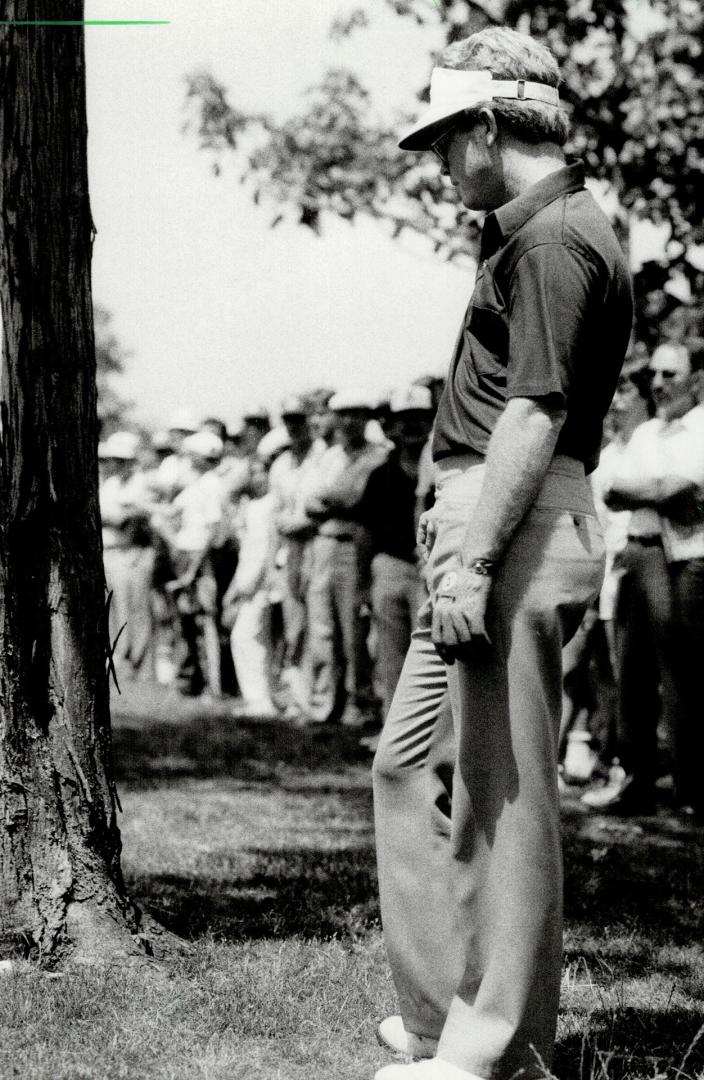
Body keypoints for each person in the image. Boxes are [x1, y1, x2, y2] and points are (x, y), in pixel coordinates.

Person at [371, 26, 632, 1080]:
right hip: (483, 521)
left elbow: (533, 409)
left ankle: (489, 1049)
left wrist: (473, 563)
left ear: (487, 126)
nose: (437, 164)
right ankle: (446, 1017)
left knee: (501, 794)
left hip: (506, 527)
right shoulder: (531, 231)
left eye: (442, 140)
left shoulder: (553, 239)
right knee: (404, 767)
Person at [583, 340, 704, 816]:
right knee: (631, 673)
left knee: (685, 677)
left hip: (686, 561)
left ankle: (692, 788)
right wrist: (655, 492)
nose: (658, 385)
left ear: (696, 380)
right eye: (654, 374)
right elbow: (615, 491)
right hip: (638, 554)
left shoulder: (700, 429)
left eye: (670, 375)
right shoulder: (647, 433)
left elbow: (681, 487)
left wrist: (655, 491)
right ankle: (635, 782)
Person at [304, 390, 388, 727]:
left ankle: (361, 702)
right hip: (324, 542)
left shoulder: (378, 455)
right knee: (324, 627)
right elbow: (310, 501)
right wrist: (336, 501)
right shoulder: (329, 457)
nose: (349, 420)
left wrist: (334, 500)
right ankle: (329, 702)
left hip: (354, 545)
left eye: (356, 413)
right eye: (343, 413)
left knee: (355, 627)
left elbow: (361, 501)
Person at [360, 384, 435, 720]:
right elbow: (366, 532)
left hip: (431, 568)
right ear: (392, 426)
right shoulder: (379, 475)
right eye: (404, 420)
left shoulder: (443, 469)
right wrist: (363, 581)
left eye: (419, 418)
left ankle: (429, 736)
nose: (412, 427)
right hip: (391, 566)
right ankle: (393, 731)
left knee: (432, 655)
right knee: (391, 655)